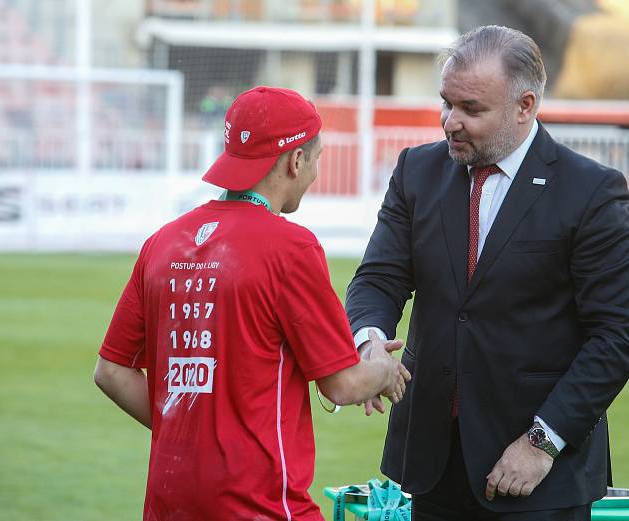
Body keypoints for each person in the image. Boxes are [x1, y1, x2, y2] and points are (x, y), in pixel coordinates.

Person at [346, 26, 629, 521]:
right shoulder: (415, 172)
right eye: (446, 103)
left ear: (524, 106)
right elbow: (379, 277)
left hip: (539, 476)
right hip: (432, 464)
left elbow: (620, 335)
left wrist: (541, 443)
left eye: (471, 109)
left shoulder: (590, 191)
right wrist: (370, 339)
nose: (450, 122)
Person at [94, 86, 411, 521]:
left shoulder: (162, 243)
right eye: (316, 159)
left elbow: (111, 371)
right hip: (262, 506)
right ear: (295, 161)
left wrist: (187, 432)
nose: (315, 174)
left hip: (170, 503)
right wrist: (386, 369)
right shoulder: (291, 248)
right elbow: (343, 384)